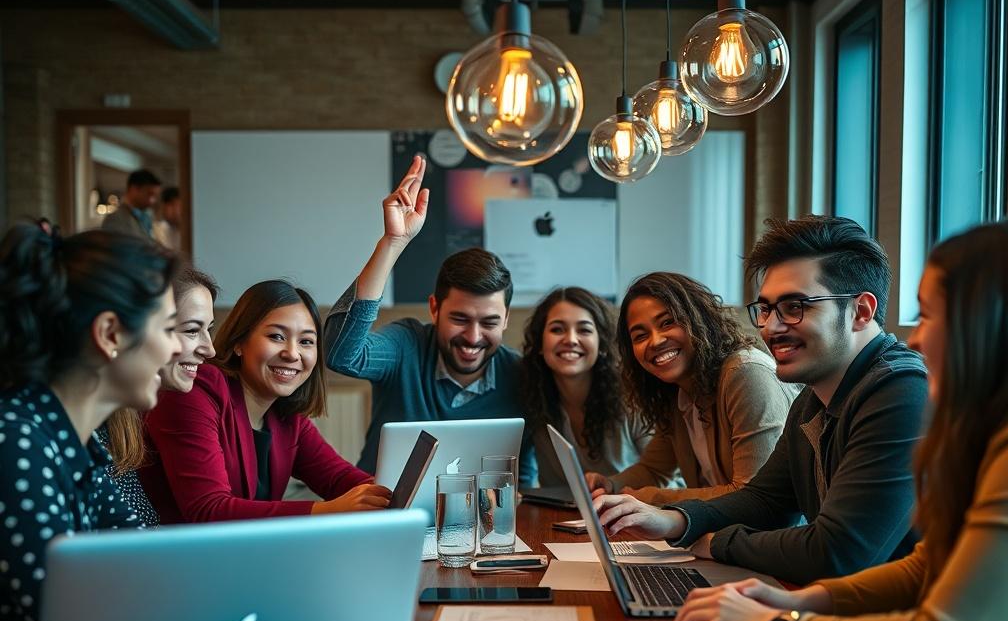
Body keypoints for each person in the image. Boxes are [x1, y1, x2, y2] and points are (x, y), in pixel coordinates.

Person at [665, 219, 1008, 621]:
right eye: (765, 309)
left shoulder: (916, 397)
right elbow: (928, 565)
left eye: (929, 314)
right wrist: (800, 601)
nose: (918, 337)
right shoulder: (977, 429)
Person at [596, 216, 928, 585]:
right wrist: (673, 521)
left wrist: (718, 543)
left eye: (795, 306)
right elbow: (766, 501)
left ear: (860, 311)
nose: (770, 327)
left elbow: (839, 552)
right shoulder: (814, 397)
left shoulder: (901, 391)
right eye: (766, 309)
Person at [0, 225, 180, 621]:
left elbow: (142, 555)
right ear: (110, 333)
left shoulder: (76, 441)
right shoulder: (17, 442)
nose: (177, 347)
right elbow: (68, 619)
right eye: (167, 328)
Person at [324, 155, 534, 481]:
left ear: (506, 319)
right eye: (460, 319)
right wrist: (392, 243)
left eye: (490, 323)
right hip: (383, 511)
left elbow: (524, 475)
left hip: (478, 522)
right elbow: (341, 355)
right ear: (434, 308)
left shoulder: (521, 376)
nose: (474, 337)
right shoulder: (407, 345)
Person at [141, 279, 389, 523]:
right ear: (239, 342)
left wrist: (393, 494)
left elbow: (339, 479)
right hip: (171, 556)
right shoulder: (196, 388)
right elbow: (208, 509)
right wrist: (329, 510)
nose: (292, 353)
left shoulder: (286, 414)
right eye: (277, 337)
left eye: (306, 341)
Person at [585, 273, 797, 504]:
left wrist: (645, 498)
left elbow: (752, 497)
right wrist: (611, 485)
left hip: (770, 537)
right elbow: (654, 470)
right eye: (640, 335)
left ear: (699, 319)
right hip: (721, 535)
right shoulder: (678, 390)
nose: (655, 341)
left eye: (667, 322)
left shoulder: (746, 374)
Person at [98, 265, 219, 523]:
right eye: (190, 330)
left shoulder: (122, 422)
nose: (210, 350)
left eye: (209, 328)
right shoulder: (75, 432)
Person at [523, 286, 661, 487]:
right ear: (540, 344)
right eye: (557, 329)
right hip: (559, 516)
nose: (570, 339)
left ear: (602, 344)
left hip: (638, 512)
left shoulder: (634, 395)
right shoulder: (530, 397)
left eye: (584, 330)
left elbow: (670, 479)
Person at [101, 169, 162, 239]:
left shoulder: (146, 217)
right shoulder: (116, 219)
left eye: (155, 196)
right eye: (149, 194)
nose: (152, 201)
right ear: (134, 189)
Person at [153, 185, 182, 252]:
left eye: (173, 204)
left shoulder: (192, 231)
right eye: (164, 207)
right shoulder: (157, 230)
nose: (169, 211)